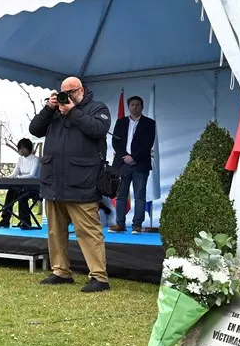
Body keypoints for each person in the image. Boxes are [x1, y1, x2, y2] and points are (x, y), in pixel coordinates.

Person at [29, 77, 111, 292]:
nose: (67, 96)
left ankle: (99, 277)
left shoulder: (97, 108)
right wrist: (49, 108)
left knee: (88, 231)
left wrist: (73, 111)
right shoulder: (55, 111)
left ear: (81, 90)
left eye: (71, 92)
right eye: (63, 92)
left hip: (81, 181)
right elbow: (34, 129)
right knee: (55, 231)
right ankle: (60, 271)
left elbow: (97, 129)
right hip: (54, 180)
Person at [110, 95, 156, 234]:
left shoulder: (149, 123)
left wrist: (134, 157)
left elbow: (148, 143)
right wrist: (125, 156)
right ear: (128, 107)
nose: (135, 107)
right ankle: (120, 224)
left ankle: (137, 225)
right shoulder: (121, 122)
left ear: (142, 107)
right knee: (121, 195)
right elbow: (115, 142)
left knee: (139, 195)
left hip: (140, 164)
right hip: (122, 163)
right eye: (132, 105)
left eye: (137, 105)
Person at [0, 138, 39, 229]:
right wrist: (8, 178)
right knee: (10, 192)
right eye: (20, 148)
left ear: (29, 148)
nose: (21, 150)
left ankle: (26, 221)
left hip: (34, 187)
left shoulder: (36, 160)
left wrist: (18, 178)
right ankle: (5, 220)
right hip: (22, 185)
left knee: (22, 195)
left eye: (23, 148)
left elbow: (32, 175)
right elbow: (14, 174)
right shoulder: (20, 159)